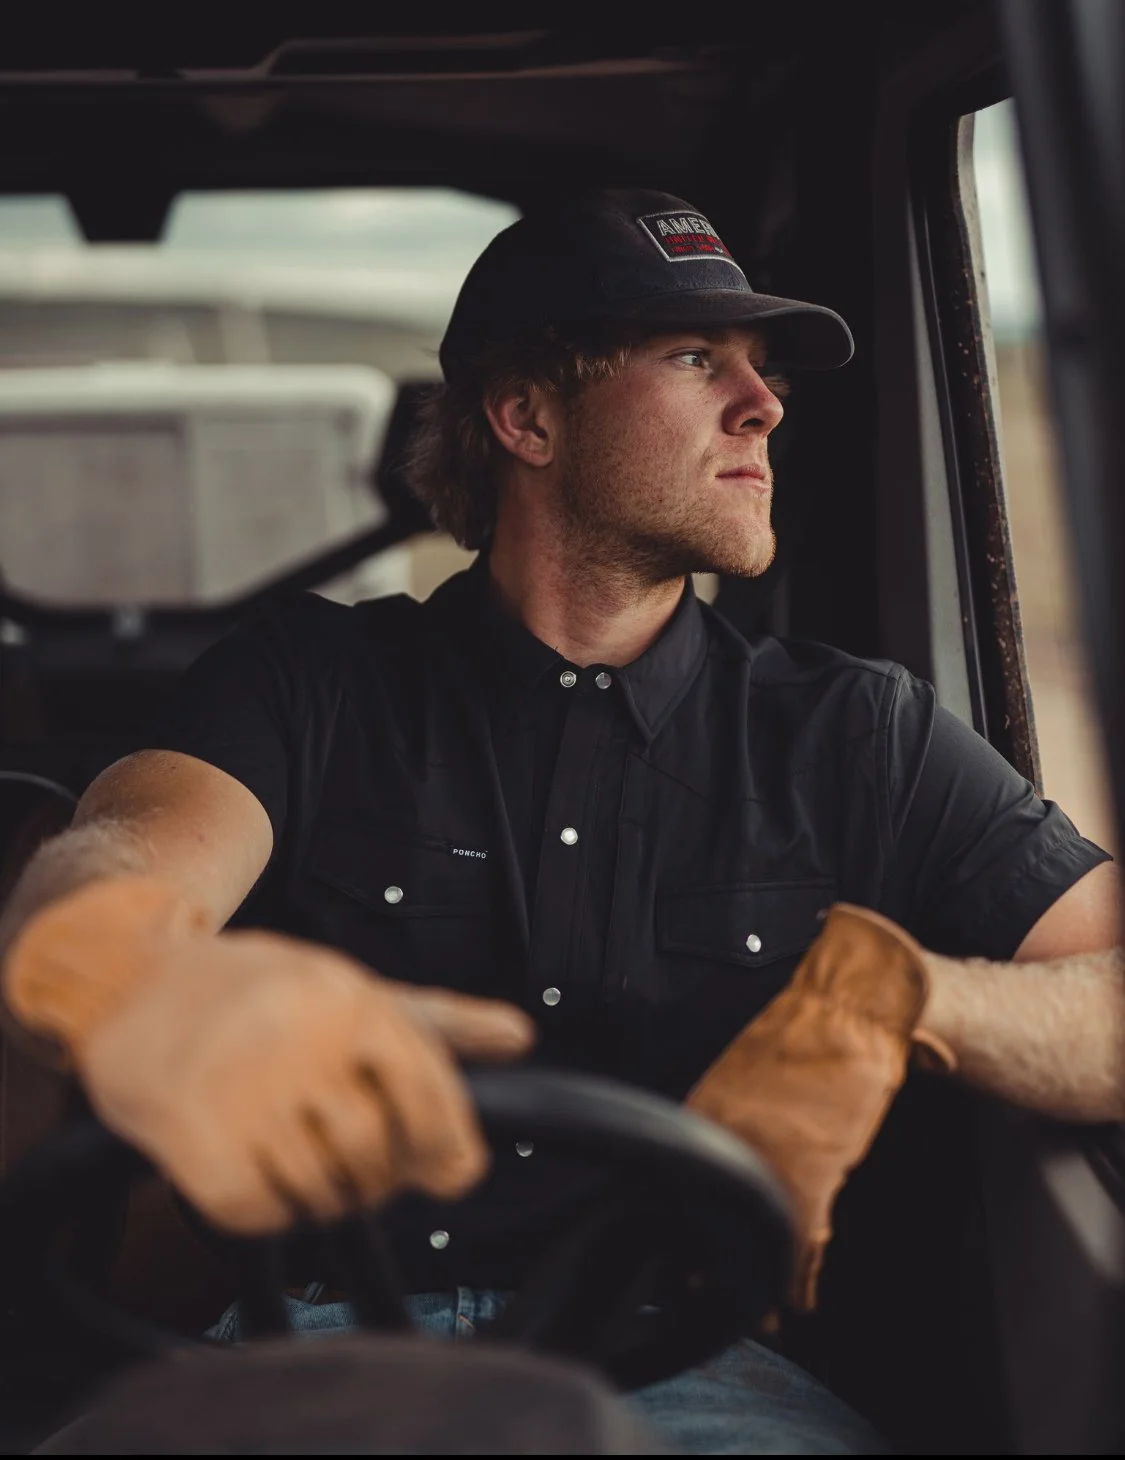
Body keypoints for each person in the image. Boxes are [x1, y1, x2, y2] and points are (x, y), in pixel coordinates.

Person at [1, 189, 1121, 1455]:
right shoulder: (309, 680)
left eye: (761, 369)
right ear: (527, 415)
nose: (765, 402)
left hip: (700, 1383)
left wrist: (915, 1001)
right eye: (697, 359)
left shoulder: (860, 733)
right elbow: (122, 854)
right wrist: (128, 968)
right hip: (296, 1358)